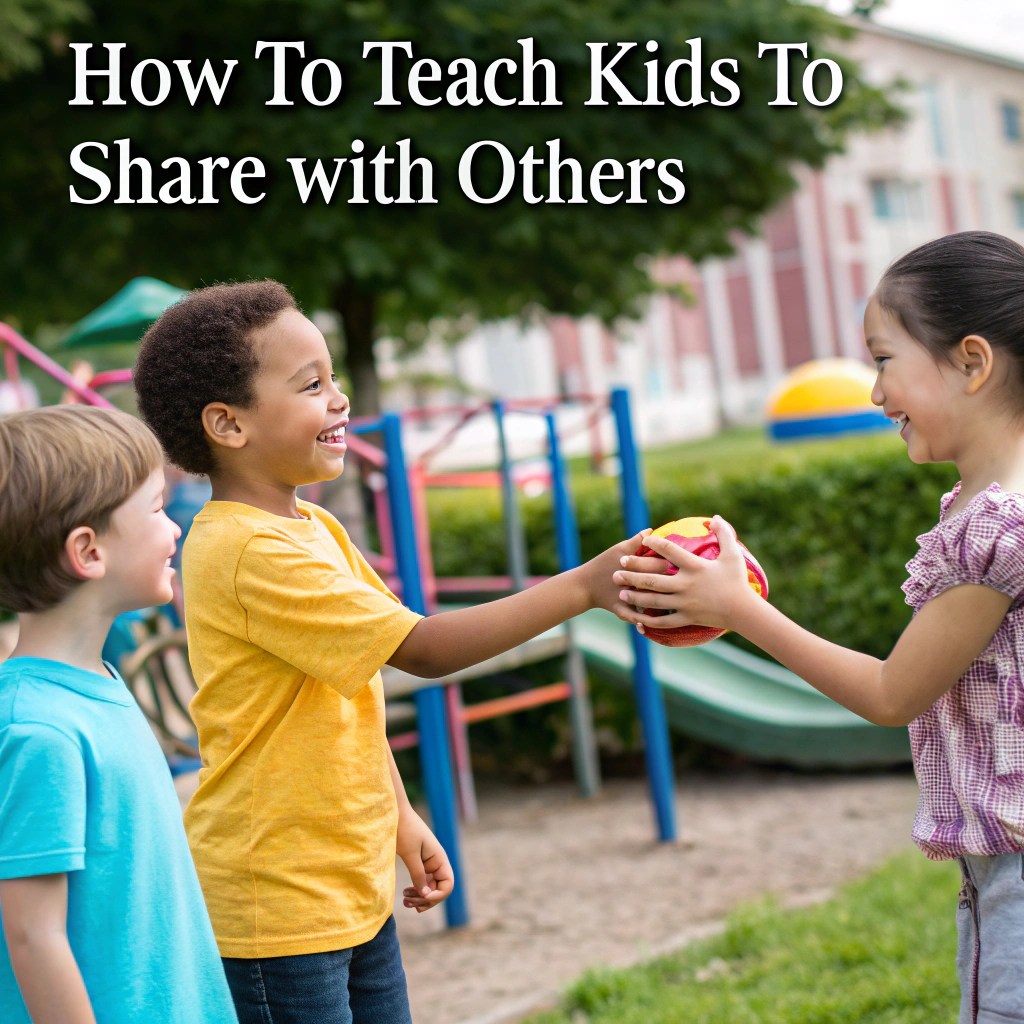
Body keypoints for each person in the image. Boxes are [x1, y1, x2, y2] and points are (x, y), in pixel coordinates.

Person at [132, 280, 643, 1024]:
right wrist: (584, 586)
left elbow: (350, 696)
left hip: (346, 886)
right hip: (276, 905)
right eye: (312, 384)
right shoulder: (244, 548)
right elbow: (424, 650)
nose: (338, 399)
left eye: (334, 377)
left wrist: (400, 819)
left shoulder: (313, 528)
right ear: (228, 424)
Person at [612, 230, 1024, 1024]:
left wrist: (741, 612)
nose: (873, 393)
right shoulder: (982, 513)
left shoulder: (996, 531)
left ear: (972, 362)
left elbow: (890, 693)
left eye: (882, 359)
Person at [0, 406, 237, 1024]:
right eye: (157, 508)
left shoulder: (98, 682)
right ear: (88, 550)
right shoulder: (38, 730)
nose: (175, 529)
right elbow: (32, 937)